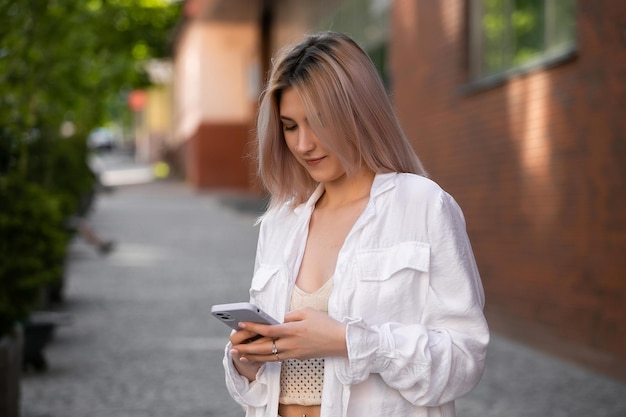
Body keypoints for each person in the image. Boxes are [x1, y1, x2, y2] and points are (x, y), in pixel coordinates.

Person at [222, 31, 489, 417]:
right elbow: (260, 385)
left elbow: (464, 359)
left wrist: (350, 341)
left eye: (318, 121)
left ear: (358, 112)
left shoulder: (423, 206)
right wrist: (247, 362)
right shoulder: (281, 221)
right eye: (290, 125)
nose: (303, 144)